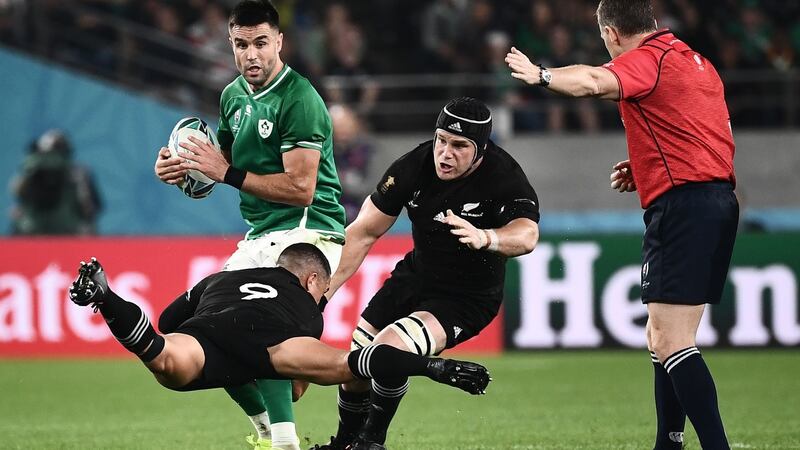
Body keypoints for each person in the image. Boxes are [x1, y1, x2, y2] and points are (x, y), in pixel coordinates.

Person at [505, 1, 737, 449]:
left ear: (611, 33)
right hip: (714, 200)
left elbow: (593, 81)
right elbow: (705, 131)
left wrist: (541, 75)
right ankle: (668, 442)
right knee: (661, 336)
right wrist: (650, 163)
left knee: (671, 340)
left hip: (684, 206)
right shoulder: (696, 62)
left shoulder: (647, 59)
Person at [152, 1, 346, 449]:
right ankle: (264, 428)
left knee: (258, 327)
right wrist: (182, 169)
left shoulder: (300, 98)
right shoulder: (232, 97)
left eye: (261, 43)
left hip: (307, 233)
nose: (251, 54)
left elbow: (301, 188)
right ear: (231, 44)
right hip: (260, 236)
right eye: (241, 45)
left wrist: (225, 173)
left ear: (279, 41)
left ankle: (285, 441)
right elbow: (217, 165)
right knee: (195, 324)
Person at [313, 97, 541, 450]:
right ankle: (344, 443)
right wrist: (320, 297)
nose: (445, 154)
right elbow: (362, 233)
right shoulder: (413, 166)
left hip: (466, 298)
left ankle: (371, 443)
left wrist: (487, 237)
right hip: (415, 278)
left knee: (388, 349)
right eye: (441, 140)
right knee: (356, 362)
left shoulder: (504, 177)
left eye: (459, 146)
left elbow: (527, 235)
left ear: (481, 150)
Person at [66, 245, 490, 433]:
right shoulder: (306, 306)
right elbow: (299, 386)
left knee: (164, 360)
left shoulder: (220, 278)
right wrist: (431, 363)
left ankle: (106, 298)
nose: (323, 297)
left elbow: (168, 319)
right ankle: (436, 368)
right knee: (352, 364)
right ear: (312, 280)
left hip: (211, 330)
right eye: (324, 290)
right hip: (270, 339)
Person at [10, 129, 102, 235]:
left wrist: (81, 185)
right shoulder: (32, 170)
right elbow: (17, 193)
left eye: (57, 150)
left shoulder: (78, 174)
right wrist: (29, 173)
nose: (51, 158)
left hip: (69, 231)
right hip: (33, 230)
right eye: (47, 153)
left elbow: (92, 209)